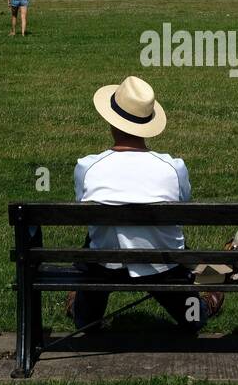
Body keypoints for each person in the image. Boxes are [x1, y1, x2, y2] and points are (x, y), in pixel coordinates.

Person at [66, 75, 223, 333]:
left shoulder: (88, 167)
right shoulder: (173, 168)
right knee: (196, 317)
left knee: (95, 243)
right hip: (163, 264)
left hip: (105, 265)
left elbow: (85, 210)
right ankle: (209, 294)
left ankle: (83, 312)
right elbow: (182, 206)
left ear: (110, 121)